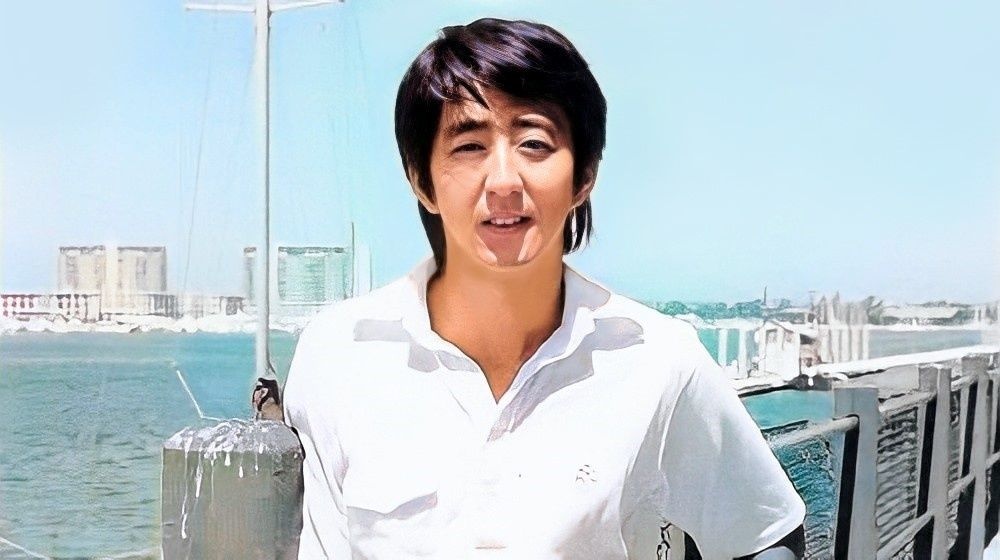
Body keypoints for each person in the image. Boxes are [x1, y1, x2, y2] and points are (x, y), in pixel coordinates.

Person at [282, 18, 806, 559]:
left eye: (534, 143)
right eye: (469, 146)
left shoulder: (657, 359)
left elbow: (764, 531)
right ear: (421, 179)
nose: (503, 181)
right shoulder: (339, 353)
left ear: (584, 176)